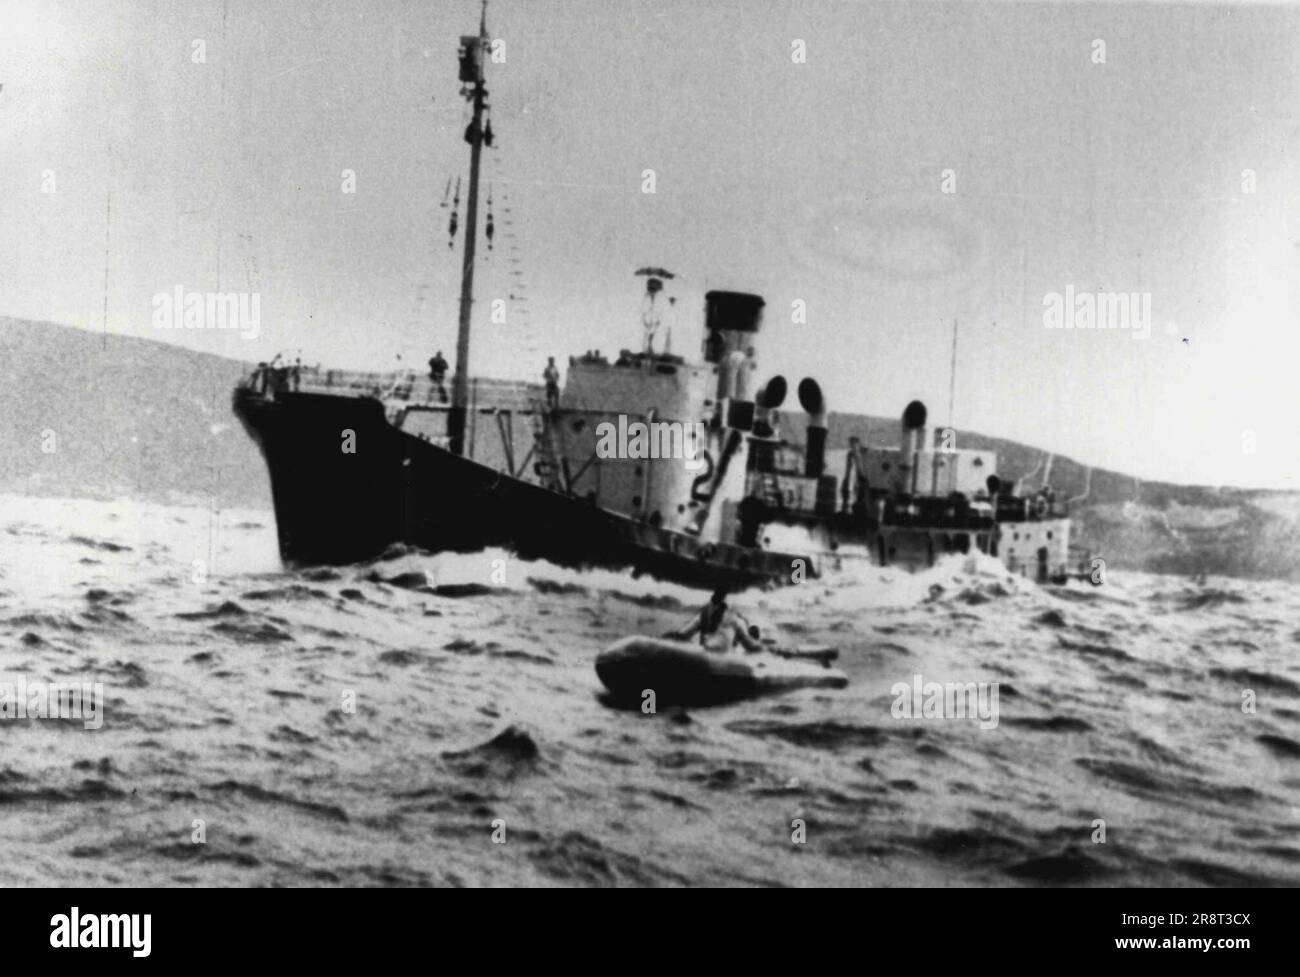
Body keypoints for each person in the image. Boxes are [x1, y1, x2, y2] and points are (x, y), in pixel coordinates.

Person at [671, 588, 763, 653]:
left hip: (705, 663)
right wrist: (764, 647)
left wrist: (668, 636)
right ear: (729, 605)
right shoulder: (736, 620)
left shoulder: (703, 615)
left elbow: (681, 635)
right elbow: (751, 647)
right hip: (726, 667)